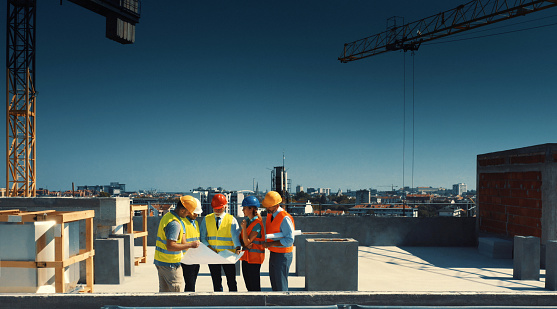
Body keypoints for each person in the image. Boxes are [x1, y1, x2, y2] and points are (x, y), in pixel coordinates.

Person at [154, 197, 200, 292]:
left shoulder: (170, 217)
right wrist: (191, 245)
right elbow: (171, 246)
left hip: (161, 262)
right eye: (188, 212)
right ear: (182, 210)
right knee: (175, 295)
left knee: (164, 294)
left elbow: (183, 242)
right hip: (170, 265)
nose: (189, 214)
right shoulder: (175, 224)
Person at [200, 193, 241, 292]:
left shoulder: (231, 219)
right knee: (216, 281)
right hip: (212, 255)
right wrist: (209, 247)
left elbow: (236, 237)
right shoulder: (207, 219)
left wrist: (238, 248)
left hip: (228, 255)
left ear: (225, 207)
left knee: (231, 281)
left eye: (220, 209)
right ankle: (219, 301)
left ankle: (234, 300)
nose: (217, 211)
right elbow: (202, 237)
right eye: (215, 209)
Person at [261, 191, 295, 291]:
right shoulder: (271, 215)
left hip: (283, 255)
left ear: (276, 205)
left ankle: (283, 306)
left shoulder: (284, 218)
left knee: (281, 287)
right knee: (275, 285)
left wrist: (271, 243)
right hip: (275, 253)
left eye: (269, 206)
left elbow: (289, 239)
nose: (267, 208)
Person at [239, 196, 265, 291]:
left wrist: (244, 229)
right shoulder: (248, 222)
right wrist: (245, 243)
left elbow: (247, 242)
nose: (243, 210)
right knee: (249, 285)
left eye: (244, 208)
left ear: (251, 209)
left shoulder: (257, 223)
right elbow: (243, 241)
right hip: (246, 258)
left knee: (254, 286)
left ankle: (257, 305)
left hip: (254, 259)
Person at [179, 195, 203, 292]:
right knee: (190, 284)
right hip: (186, 259)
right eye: (195, 213)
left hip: (195, 258)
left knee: (192, 284)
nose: (196, 215)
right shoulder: (182, 222)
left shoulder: (195, 223)